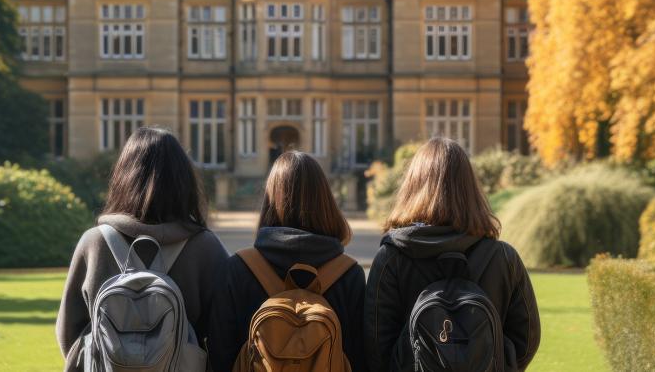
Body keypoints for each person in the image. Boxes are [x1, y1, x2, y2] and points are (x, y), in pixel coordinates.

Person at [56, 127, 229, 372]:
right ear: (183, 180)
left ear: (123, 177)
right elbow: (224, 334)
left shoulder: (94, 243)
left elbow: (68, 331)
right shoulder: (205, 247)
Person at [364, 138, 541, 371]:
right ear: (470, 189)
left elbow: (375, 344)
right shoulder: (504, 257)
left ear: (413, 186)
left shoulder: (390, 258)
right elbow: (527, 338)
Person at [208, 151, 366, 372]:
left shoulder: (238, 269)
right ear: (325, 201)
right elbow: (361, 358)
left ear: (270, 199)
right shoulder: (349, 274)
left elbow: (219, 355)